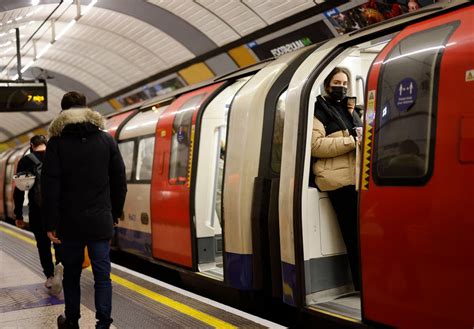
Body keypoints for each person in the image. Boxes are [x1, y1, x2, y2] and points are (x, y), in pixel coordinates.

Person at [42, 91, 127, 329]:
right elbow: (119, 179)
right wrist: (116, 212)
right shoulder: (106, 140)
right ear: (86, 109)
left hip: (69, 224)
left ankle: (72, 321)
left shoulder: (56, 144)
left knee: (72, 275)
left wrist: (50, 223)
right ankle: (104, 324)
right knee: (102, 275)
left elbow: (50, 187)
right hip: (100, 221)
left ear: (63, 112)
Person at [311, 67, 362, 291]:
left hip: (358, 178)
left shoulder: (351, 110)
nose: (341, 87)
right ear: (326, 84)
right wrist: (352, 142)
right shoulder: (318, 110)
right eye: (336, 82)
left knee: (363, 234)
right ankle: (361, 284)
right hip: (337, 181)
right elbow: (315, 146)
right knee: (353, 235)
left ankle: (367, 279)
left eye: (344, 83)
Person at [13, 135, 63, 293]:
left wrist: (19, 215)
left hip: (38, 211)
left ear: (31, 146)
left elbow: (19, 191)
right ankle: (60, 266)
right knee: (59, 240)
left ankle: (49, 276)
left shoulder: (26, 160)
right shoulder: (57, 156)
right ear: (46, 144)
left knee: (43, 245)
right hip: (58, 210)